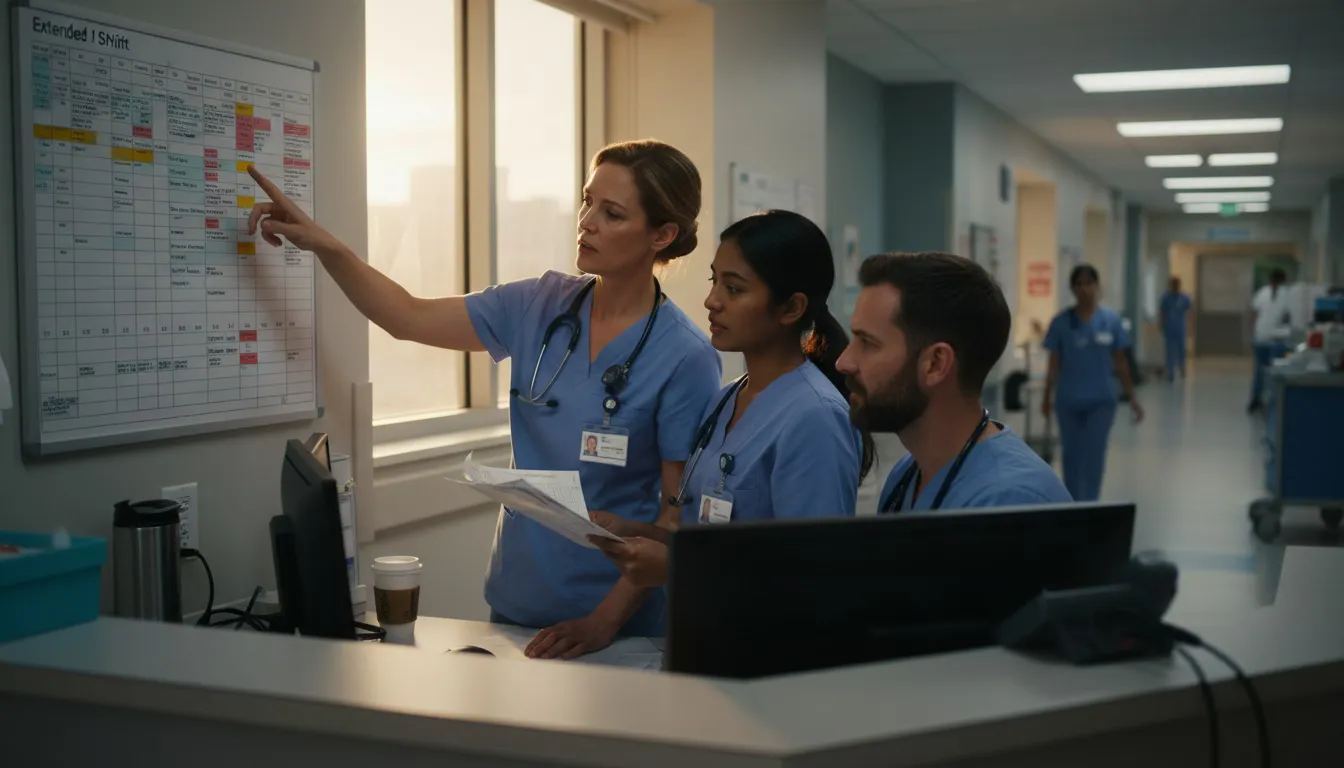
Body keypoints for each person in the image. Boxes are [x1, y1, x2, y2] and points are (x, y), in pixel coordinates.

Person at [245, 140, 722, 659]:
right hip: (517, 602)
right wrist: (325, 245)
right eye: (587, 202)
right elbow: (407, 317)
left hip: (616, 627)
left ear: (663, 235)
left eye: (612, 213)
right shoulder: (539, 303)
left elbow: (677, 522)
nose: (586, 221)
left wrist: (601, 625)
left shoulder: (685, 356)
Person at [588, 210, 873, 587]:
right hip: (706, 634)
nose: (711, 301)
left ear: (792, 308)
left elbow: (815, 574)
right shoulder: (726, 400)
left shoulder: (815, 418)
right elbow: (712, 536)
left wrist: (678, 571)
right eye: (714, 281)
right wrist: (633, 531)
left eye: (734, 289)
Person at [837, 252, 1071, 514]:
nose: (843, 362)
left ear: (936, 364)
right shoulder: (906, 477)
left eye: (867, 343)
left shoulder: (1010, 502)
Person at [1042, 264, 1144, 502]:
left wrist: (1133, 399)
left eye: (1089, 283)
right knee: (1071, 456)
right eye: (1079, 283)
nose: (1084, 288)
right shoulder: (1061, 322)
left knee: (1094, 456)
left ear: (1098, 287)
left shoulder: (1110, 321)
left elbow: (1121, 364)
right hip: (1068, 400)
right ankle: (1073, 504)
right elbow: (1053, 364)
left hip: (1101, 400)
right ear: (1072, 288)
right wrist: (1047, 397)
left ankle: (1089, 505)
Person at [1247, 268, 1292, 413]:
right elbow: (1287, 317)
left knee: (1261, 371)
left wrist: (1253, 333)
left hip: (1264, 336)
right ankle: (1269, 402)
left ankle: (1258, 400)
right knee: (1271, 371)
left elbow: (1255, 314)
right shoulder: (1286, 294)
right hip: (1271, 339)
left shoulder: (1263, 292)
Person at [1159, 276, 1193, 381]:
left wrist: (1190, 325)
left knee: (1181, 349)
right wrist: (1161, 324)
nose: (1175, 286)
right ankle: (1171, 373)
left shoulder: (1184, 297)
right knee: (1169, 350)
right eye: (1173, 284)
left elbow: (1191, 311)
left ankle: (1182, 368)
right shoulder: (1166, 297)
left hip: (1180, 327)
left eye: (1177, 284)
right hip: (1169, 327)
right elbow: (1162, 312)